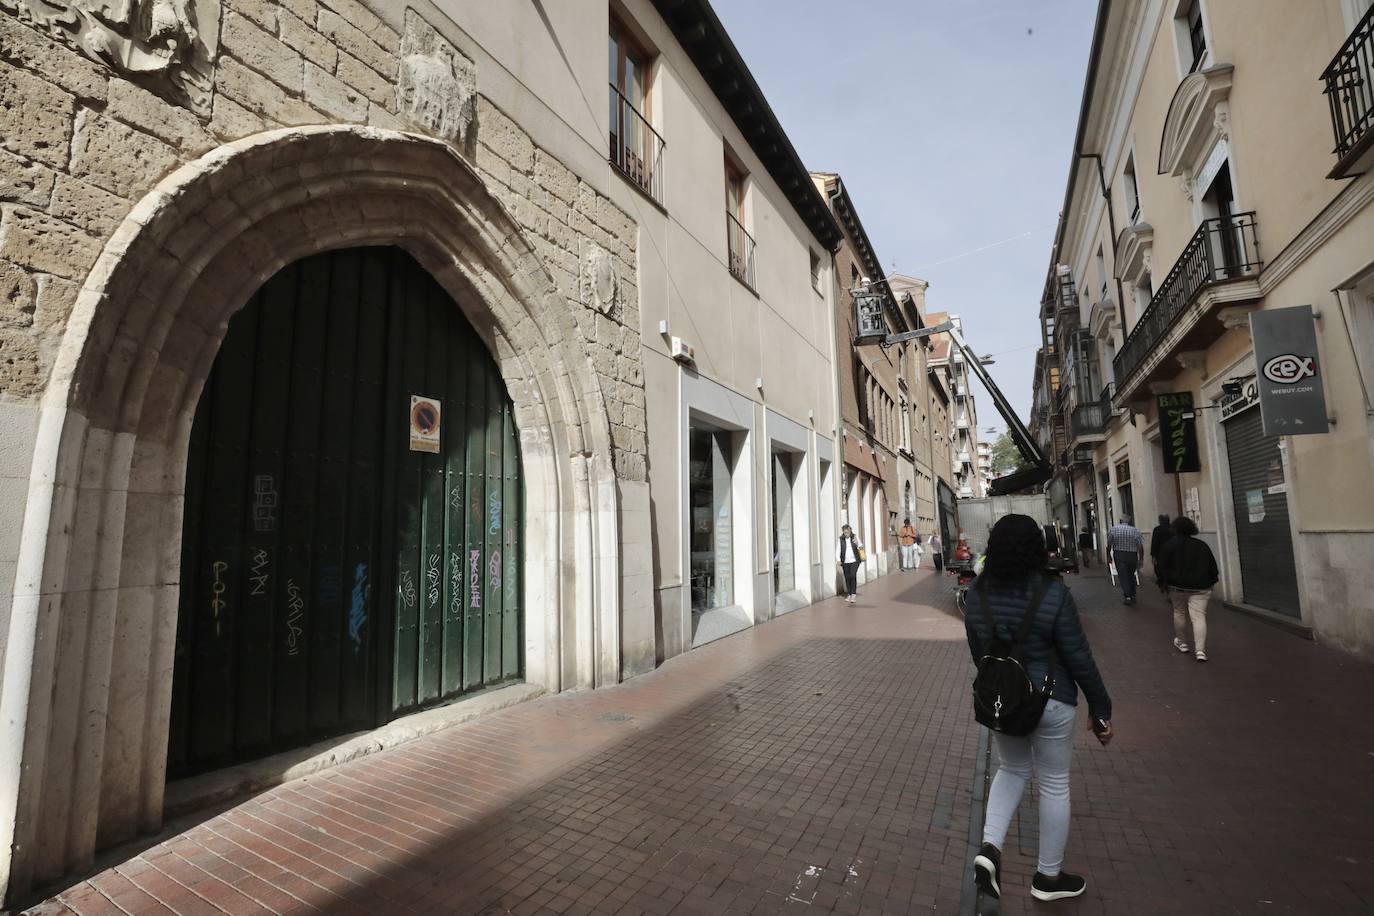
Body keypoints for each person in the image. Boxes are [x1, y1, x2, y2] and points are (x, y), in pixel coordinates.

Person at [967, 514, 1113, 903]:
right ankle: (1048, 878)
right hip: (1052, 699)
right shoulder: (1053, 592)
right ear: (1037, 546)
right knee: (1053, 784)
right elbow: (1078, 655)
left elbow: (980, 653)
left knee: (1011, 769)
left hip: (1005, 700)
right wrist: (1100, 706)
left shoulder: (977, 592)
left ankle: (990, 849)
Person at [1157, 515, 1219, 662]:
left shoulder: (1169, 545)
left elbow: (1162, 567)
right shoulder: (1201, 545)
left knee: (1179, 612)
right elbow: (1212, 567)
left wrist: (1164, 582)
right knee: (1198, 617)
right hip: (1200, 587)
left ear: (1175, 529)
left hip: (1176, 586)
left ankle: (1182, 642)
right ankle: (1200, 651)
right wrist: (1211, 581)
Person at [1106, 515, 1144, 605]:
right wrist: (1141, 558)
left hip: (1119, 555)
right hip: (1132, 555)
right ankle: (1133, 595)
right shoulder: (1135, 530)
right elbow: (1140, 546)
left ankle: (1127, 596)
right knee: (1131, 575)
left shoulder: (1113, 529)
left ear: (1120, 521)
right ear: (1130, 521)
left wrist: (1108, 556)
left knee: (1123, 576)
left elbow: (1109, 544)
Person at [836, 524, 864, 604]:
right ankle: (849, 594)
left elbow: (861, 547)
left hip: (855, 560)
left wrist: (857, 543)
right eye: (845, 533)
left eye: (847, 532)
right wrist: (838, 559)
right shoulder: (841, 539)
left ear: (850, 530)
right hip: (845, 561)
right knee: (847, 577)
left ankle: (853, 594)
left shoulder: (855, 537)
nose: (846, 534)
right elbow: (838, 550)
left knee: (852, 575)